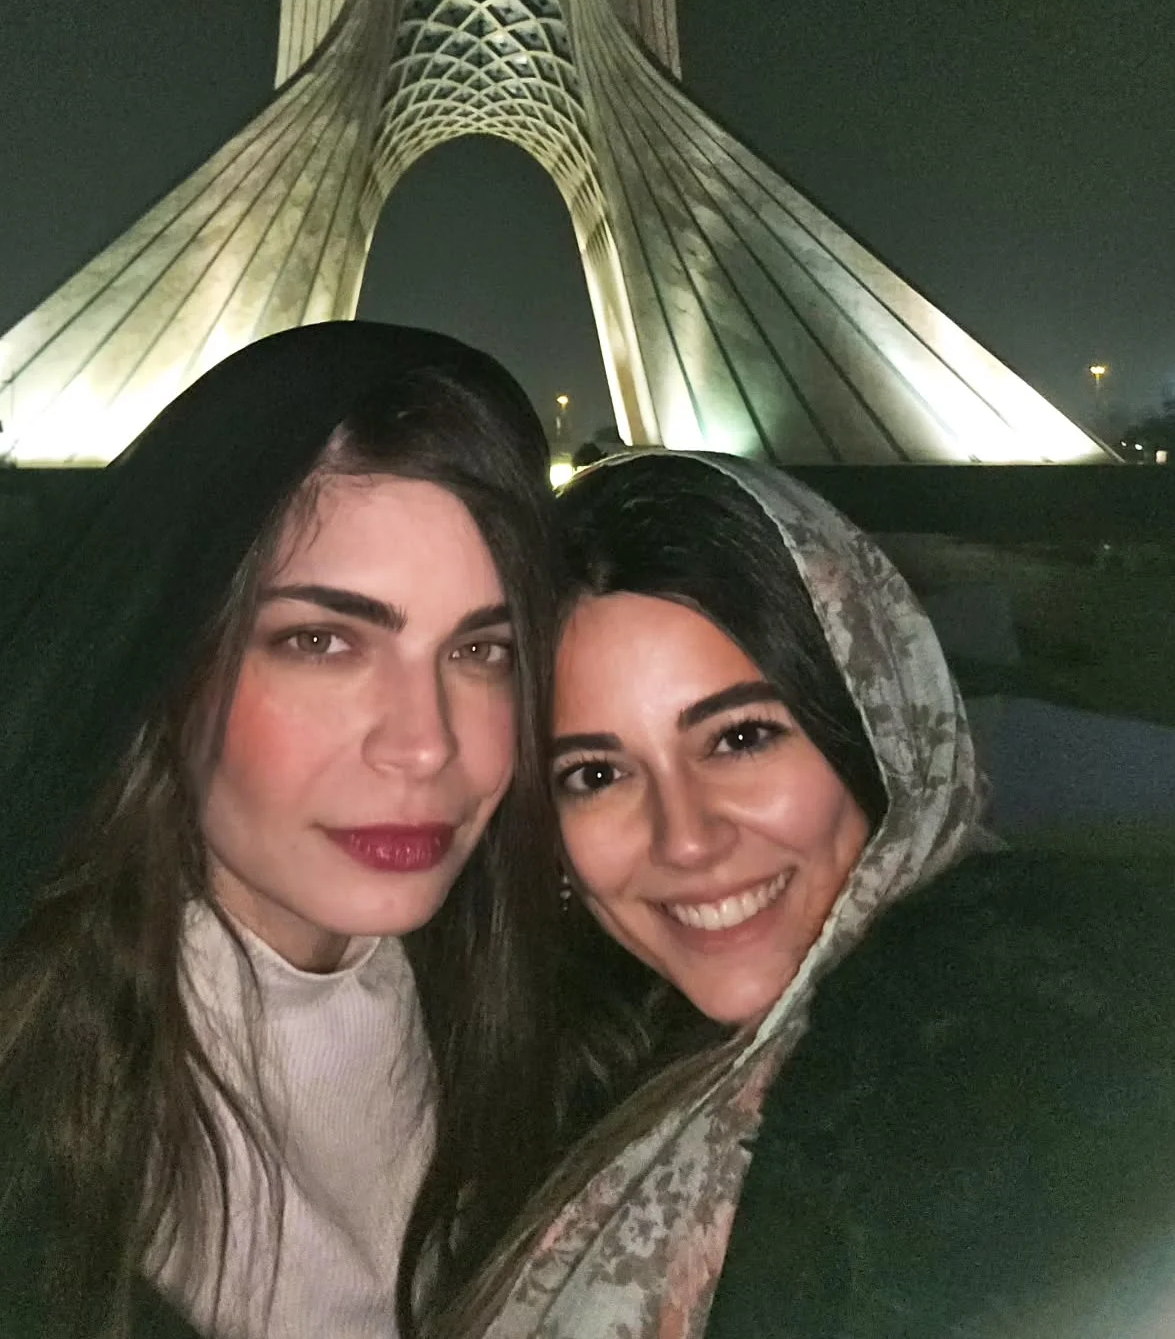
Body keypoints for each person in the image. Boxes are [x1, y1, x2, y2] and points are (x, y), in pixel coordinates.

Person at [0, 321, 563, 1339]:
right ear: (171, 663)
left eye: (483, 651)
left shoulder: (549, 1026)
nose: (424, 744)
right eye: (320, 641)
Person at [435, 450, 1175, 1339]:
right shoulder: (567, 1068)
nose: (685, 837)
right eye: (595, 773)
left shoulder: (1028, 1070)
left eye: (740, 737)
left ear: (876, 732)